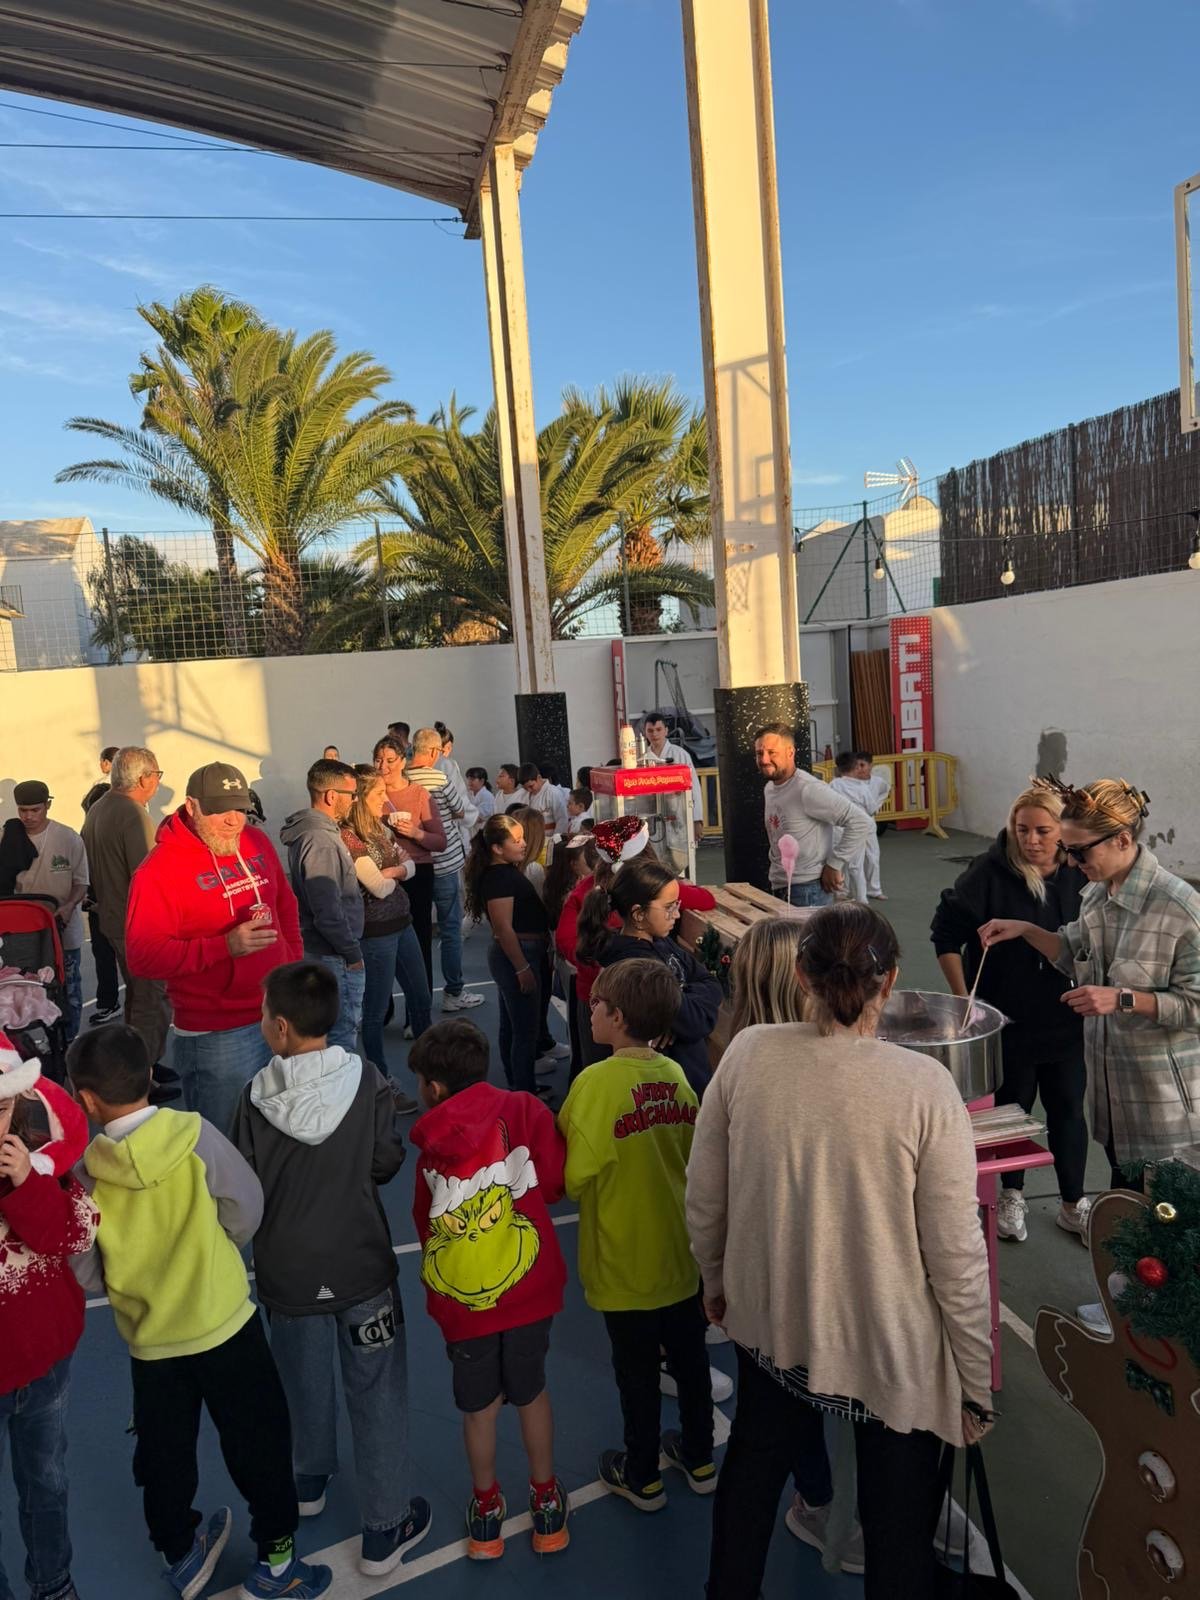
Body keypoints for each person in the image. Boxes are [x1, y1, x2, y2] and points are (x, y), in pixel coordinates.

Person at [688, 903, 993, 1600]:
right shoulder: (925, 1087)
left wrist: (716, 1281)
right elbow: (956, 1259)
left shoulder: (748, 1053)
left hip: (772, 1321)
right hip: (891, 1348)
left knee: (753, 1469)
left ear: (802, 975)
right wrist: (974, 1383)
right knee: (898, 1529)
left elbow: (705, 1198)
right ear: (890, 984)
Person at [68, 1024, 332, 1600]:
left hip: (152, 1343)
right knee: (259, 1438)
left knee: (163, 1450)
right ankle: (278, 1563)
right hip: (224, 1325)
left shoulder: (86, 1175)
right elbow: (246, 1205)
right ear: (150, 1077)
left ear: (87, 1101)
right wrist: (218, 1251)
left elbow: (85, 1268)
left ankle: (181, 1554)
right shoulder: (195, 1135)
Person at [232, 962, 432, 1578]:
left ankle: (309, 1479)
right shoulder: (368, 1080)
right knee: (376, 1392)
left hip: (288, 1275)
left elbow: (243, 1183)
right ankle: (384, 1527)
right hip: (361, 1267)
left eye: (265, 1013)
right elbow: (384, 1160)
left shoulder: (255, 1095)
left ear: (282, 1027)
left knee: (302, 1384)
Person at [979, 776, 1200, 1189]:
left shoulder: (1179, 909)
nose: (1072, 862)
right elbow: (1070, 950)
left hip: (1165, 1111)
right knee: (1127, 1217)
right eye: (1068, 849)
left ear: (1120, 839)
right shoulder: (1099, 894)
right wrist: (1025, 928)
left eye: (1079, 851)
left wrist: (1124, 1000)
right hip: (1115, 1105)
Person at [409, 1018, 570, 1561]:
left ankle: (486, 1510)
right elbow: (553, 1183)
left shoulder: (431, 1145)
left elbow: (424, 1225)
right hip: (529, 1293)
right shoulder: (524, 1109)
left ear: (433, 1087)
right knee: (532, 1393)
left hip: (467, 1310)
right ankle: (546, 1502)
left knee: (479, 1410)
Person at [558, 959, 715, 1512]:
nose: (589, 1011)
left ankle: (642, 1471)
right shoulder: (674, 1075)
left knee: (638, 1373)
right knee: (691, 1360)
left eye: (596, 1005)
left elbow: (574, 1178)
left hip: (624, 1259)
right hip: (680, 1253)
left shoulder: (594, 1084)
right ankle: (699, 1456)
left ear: (617, 1016)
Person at [931, 785, 1088, 1244]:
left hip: (1067, 1017)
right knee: (1013, 1108)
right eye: (1022, 830)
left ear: (1063, 831)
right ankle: (1011, 1194)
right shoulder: (989, 873)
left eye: (1043, 831)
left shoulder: (1082, 873)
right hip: (1008, 1018)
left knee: (1067, 1108)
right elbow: (945, 936)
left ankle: (1072, 1202)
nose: (1031, 840)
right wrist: (968, 1001)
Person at [124, 762, 303, 1137]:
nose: (233, 820)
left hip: (277, 1014)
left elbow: (285, 905)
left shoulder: (256, 841)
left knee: (277, 1135)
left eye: (240, 808)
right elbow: (143, 956)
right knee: (227, 1144)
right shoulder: (159, 870)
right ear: (192, 806)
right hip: (218, 1035)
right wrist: (224, 946)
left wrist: (293, 971)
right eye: (219, 809)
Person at [0, 1032, 99, 1600]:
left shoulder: (42, 1159)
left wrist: (27, 1185)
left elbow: (78, 1232)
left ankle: (52, 1580)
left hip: (45, 1362)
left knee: (46, 1482)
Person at [557, 818, 716, 1072]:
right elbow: (705, 899)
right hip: (617, 1012)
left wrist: (593, 964)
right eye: (669, 907)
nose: (675, 913)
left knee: (592, 1070)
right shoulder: (650, 893)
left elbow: (566, 939)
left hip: (595, 998)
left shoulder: (592, 890)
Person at [576, 854, 722, 1098]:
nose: (677, 914)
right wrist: (685, 1005)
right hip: (668, 1094)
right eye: (669, 907)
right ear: (638, 913)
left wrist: (676, 1005)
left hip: (685, 1079)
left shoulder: (661, 942)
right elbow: (696, 1021)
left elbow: (710, 982)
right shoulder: (636, 968)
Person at [340, 767, 430, 1114]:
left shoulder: (380, 828)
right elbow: (376, 887)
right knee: (375, 1013)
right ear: (360, 799)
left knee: (421, 998)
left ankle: (430, 1070)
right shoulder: (348, 837)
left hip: (401, 924)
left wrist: (390, 873)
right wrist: (394, 874)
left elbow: (410, 867)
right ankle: (382, 1083)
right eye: (379, 795)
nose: (386, 800)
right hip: (375, 935)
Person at [80, 747, 172, 1064]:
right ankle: (144, 1074)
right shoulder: (133, 813)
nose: (158, 782)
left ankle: (136, 1066)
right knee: (151, 1000)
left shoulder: (98, 808)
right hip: (139, 925)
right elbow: (148, 877)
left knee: (136, 996)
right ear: (144, 778)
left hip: (111, 918)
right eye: (157, 775)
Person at [280, 760, 365, 1057]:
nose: (355, 801)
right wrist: (352, 954)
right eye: (351, 794)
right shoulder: (321, 841)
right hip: (335, 956)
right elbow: (327, 911)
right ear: (331, 796)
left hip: (328, 952)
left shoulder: (315, 833)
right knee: (341, 1037)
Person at [463, 815, 548, 1096]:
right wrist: (521, 967)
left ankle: (519, 1083)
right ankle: (524, 1093)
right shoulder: (499, 878)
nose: (524, 844)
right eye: (517, 840)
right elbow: (503, 927)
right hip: (519, 953)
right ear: (497, 848)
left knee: (513, 1024)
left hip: (520, 952)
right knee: (524, 1029)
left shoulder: (503, 871)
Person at [754, 724, 873, 908]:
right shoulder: (770, 788)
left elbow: (860, 821)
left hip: (809, 891)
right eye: (759, 753)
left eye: (772, 752)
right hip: (780, 885)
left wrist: (835, 864)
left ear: (790, 752)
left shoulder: (808, 789)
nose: (764, 759)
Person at [406, 729, 482, 1013]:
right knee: (450, 929)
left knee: (417, 932)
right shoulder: (440, 778)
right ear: (436, 752)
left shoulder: (402, 778)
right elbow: (462, 810)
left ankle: (419, 1002)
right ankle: (453, 991)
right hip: (445, 861)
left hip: (413, 865)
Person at [7, 781, 89, 1042]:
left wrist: (67, 906)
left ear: (48, 806)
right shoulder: (7, 837)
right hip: (20, 934)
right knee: (22, 991)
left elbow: (81, 882)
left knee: (70, 990)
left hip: (63, 927)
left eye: (35, 810)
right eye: (22, 811)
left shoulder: (68, 838)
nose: (28, 817)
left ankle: (70, 1043)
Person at [372, 737, 446, 990]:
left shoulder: (419, 794)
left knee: (418, 938)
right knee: (380, 940)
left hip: (417, 874)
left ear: (403, 761)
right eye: (379, 760)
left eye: (390, 760)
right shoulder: (370, 794)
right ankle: (384, 1006)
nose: (384, 766)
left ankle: (419, 1007)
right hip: (381, 874)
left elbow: (440, 842)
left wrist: (415, 833)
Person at [80, 748, 122, 1024]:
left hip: (121, 902)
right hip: (98, 902)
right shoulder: (84, 835)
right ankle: (109, 1001)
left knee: (131, 955)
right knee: (103, 952)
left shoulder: (124, 828)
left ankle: (144, 1003)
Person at [641, 715, 704, 877]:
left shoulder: (680, 755)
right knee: (656, 864)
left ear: (666, 731)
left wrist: (697, 820)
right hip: (654, 820)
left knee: (680, 863)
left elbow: (694, 788)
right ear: (645, 733)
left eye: (658, 730)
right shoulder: (642, 760)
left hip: (680, 816)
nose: (654, 734)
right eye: (650, 730)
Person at [830, 752, 892, 901]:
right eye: (859, 765)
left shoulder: (833, 784)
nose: (861, 769)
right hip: (858, 827)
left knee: (859, 859)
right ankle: (859, 898)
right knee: (855, 865)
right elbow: (871, 808)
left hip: (842, 827)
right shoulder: (861, 788)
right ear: (855, 767)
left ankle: (855, 892)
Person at [517, 764, 568, 838]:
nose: (529, 790)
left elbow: (562, 819)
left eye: (531, 786)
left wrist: (556, 840)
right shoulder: (522, 794)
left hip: (550, 838)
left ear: (539, 777)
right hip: (530, 838)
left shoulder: (553, 793)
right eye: (525, 788)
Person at [81, 747, 119, 815]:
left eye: (101, 761)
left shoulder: (100, 784)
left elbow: (88, 805)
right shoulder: (129, 782)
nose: (100, 765)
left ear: (106, 762)